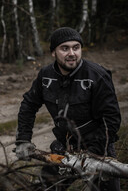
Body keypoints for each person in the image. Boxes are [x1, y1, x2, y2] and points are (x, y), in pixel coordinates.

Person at [15, 27, 121, 190]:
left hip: (99, 148)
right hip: (64, 146)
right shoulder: (45, 75)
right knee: (47, 187)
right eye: (65, 48)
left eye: (76, 48)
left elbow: (112, 119)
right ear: (53, 52)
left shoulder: (97, 75)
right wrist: (23, 139)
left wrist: (91, 155)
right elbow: (28, 105)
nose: (72, 53)